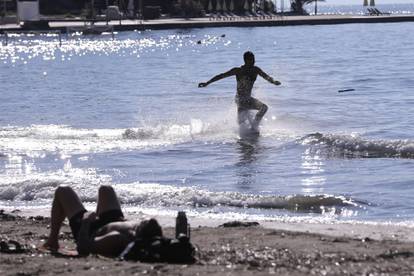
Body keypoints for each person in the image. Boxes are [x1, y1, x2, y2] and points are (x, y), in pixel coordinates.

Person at [43, 185, 162, 257]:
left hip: (91, 230)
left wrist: (86, 222)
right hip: (114, 221)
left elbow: (83, 246)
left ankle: (53, 240)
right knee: (106, 188)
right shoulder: (151, 231)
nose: (150, 221)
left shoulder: (116, 237)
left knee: (63, 190)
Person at [198, 51, 281, 132]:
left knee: (243, 125)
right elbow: (221, 76)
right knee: (260, 110)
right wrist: (207, 83)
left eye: (254, 59)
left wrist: (273, 81)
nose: (253, 62)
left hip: (243, 99)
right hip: (241, 99)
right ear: (246, 60)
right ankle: (254, 128)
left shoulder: (256, 70)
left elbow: (266, 77)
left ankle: (253, 128)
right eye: (251, 60)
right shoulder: (238, 70)